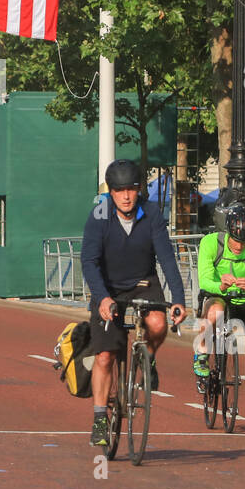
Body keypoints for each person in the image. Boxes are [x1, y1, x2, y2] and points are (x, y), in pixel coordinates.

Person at [81, 159, 187, 448]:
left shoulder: (152, 213)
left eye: (132, 189)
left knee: (157, 323)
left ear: (139, 191)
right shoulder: (99, 216)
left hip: (144, 282)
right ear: (110, 192)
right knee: (105, 356)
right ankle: (100, 418)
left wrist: (178, 298)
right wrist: (101, 297)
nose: (126, 196)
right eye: (119, 190)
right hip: (109, 289)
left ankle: (148, 359)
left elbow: (166, 258)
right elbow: (89, 262)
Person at [193, 204, 245, 433]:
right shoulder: (210, 243)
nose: (240, 246)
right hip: (219, 295)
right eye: (235, 241)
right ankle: (201, 353)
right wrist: (220, 285)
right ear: (227, 233)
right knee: (215, 313)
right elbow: (204, 281)